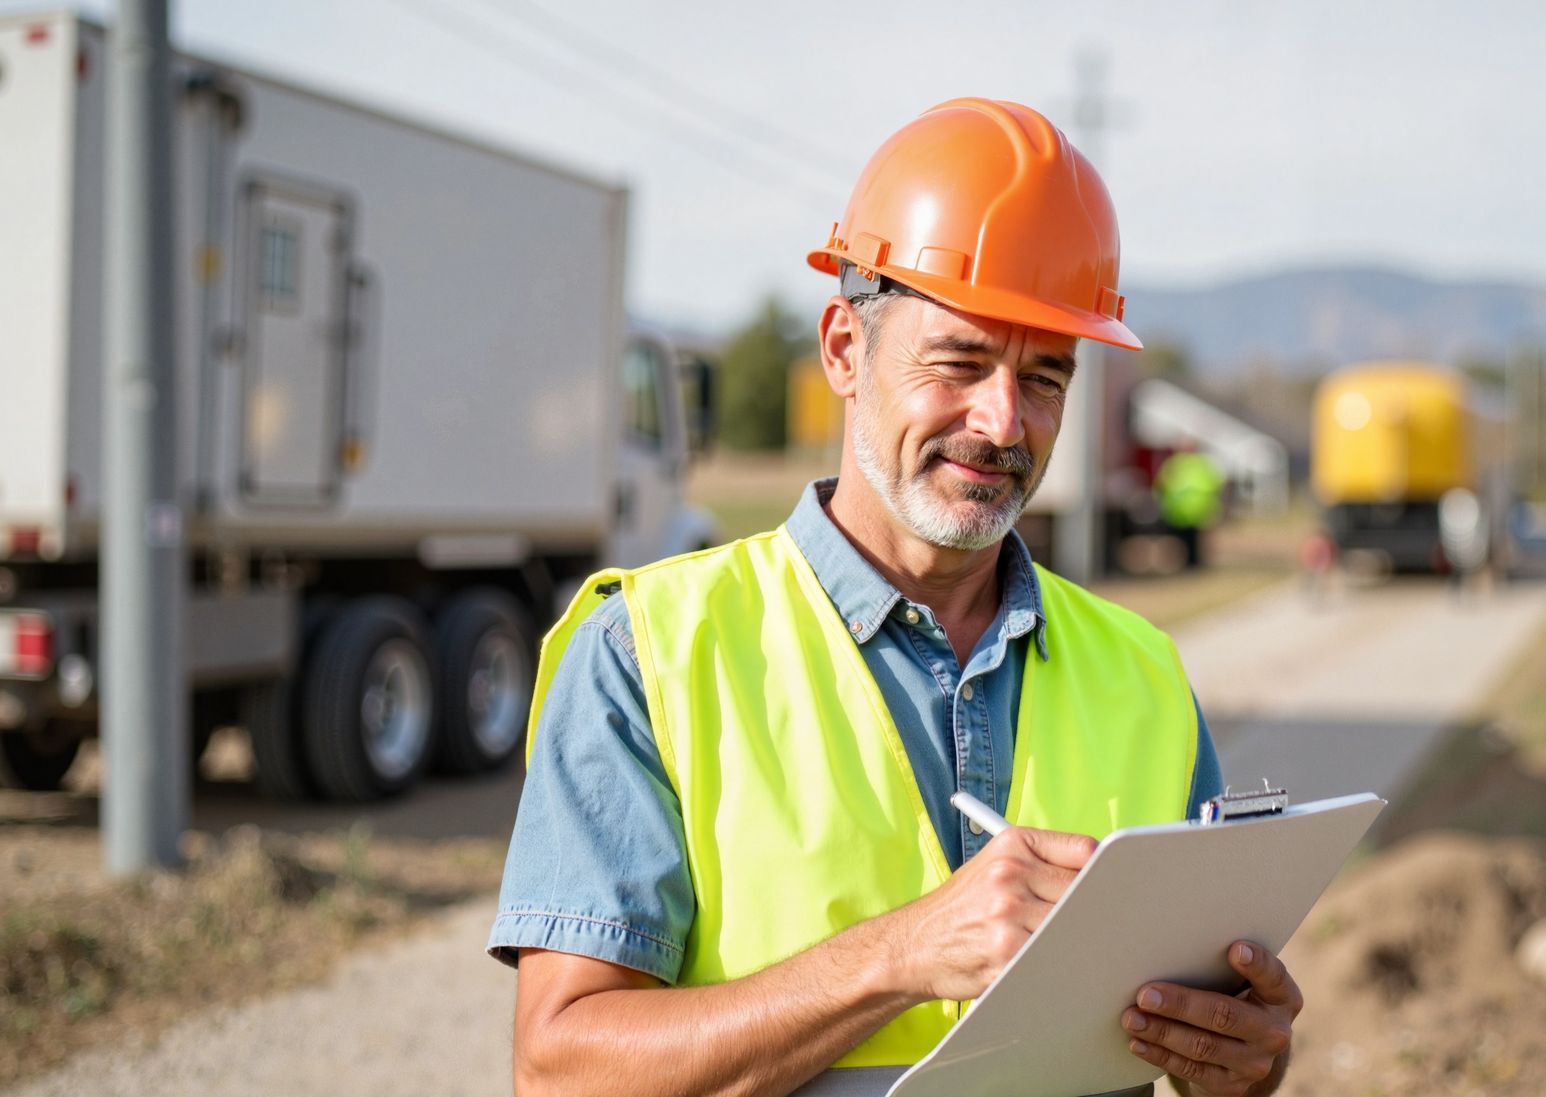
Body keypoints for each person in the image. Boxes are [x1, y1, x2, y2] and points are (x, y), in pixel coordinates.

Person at [488, 98, 1304, 1097]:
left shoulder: (1142, 672)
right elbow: (563, 1070)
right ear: (842, 348)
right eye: (960, 360)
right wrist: (900, 952)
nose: (1003, 419)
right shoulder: (649, 653)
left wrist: (1243, 1060)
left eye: (1044, 378)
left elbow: (1208, 1030)